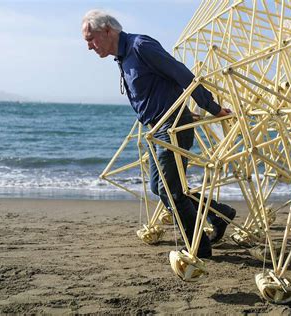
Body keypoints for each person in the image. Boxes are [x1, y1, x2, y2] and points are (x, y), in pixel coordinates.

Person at [81, 9, 235, 258]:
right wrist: (180, 110)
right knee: (160, 186)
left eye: (91, 39)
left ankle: (199, 247)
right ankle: (220, 214)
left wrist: (212, 108)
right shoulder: (123, 56)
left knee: (170, 190)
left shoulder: (141, 46)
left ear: (108, 30)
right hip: (157, 127)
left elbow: (183, 75)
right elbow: (159, 88)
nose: (89, 46)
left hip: (170, 127)